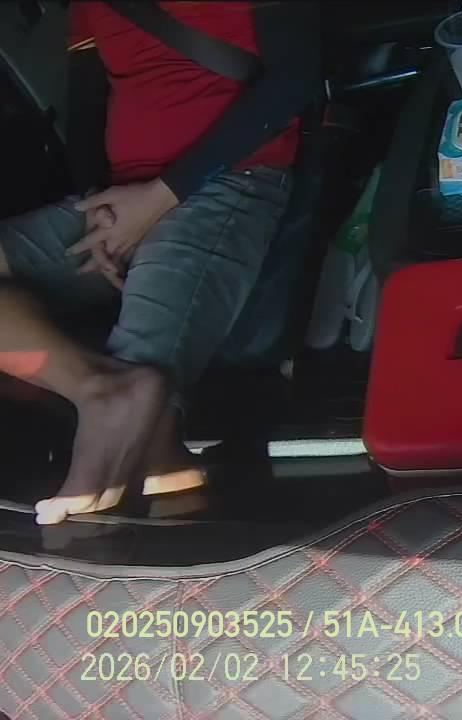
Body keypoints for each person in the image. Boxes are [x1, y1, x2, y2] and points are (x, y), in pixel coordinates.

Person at [0, 1, 319, 524]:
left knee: (145, 413)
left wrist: (160, 197)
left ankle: (131, 446)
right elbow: (88, 97)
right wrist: (100, 205)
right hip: (122, 196)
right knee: (136, 406)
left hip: (231, 181)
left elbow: (295, 80)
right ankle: (97, 390)